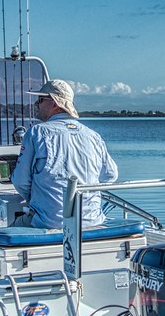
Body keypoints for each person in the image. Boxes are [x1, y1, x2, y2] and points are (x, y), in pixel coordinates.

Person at [11, 79, 117, 229]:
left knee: (4, 231)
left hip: (49, 222)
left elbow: (20, 181)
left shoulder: (37, 132)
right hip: (92, 221)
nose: (36, 104)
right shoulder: (93, 136)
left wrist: (35, 199)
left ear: (54, 103)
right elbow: (110, 175)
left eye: (40, 100)